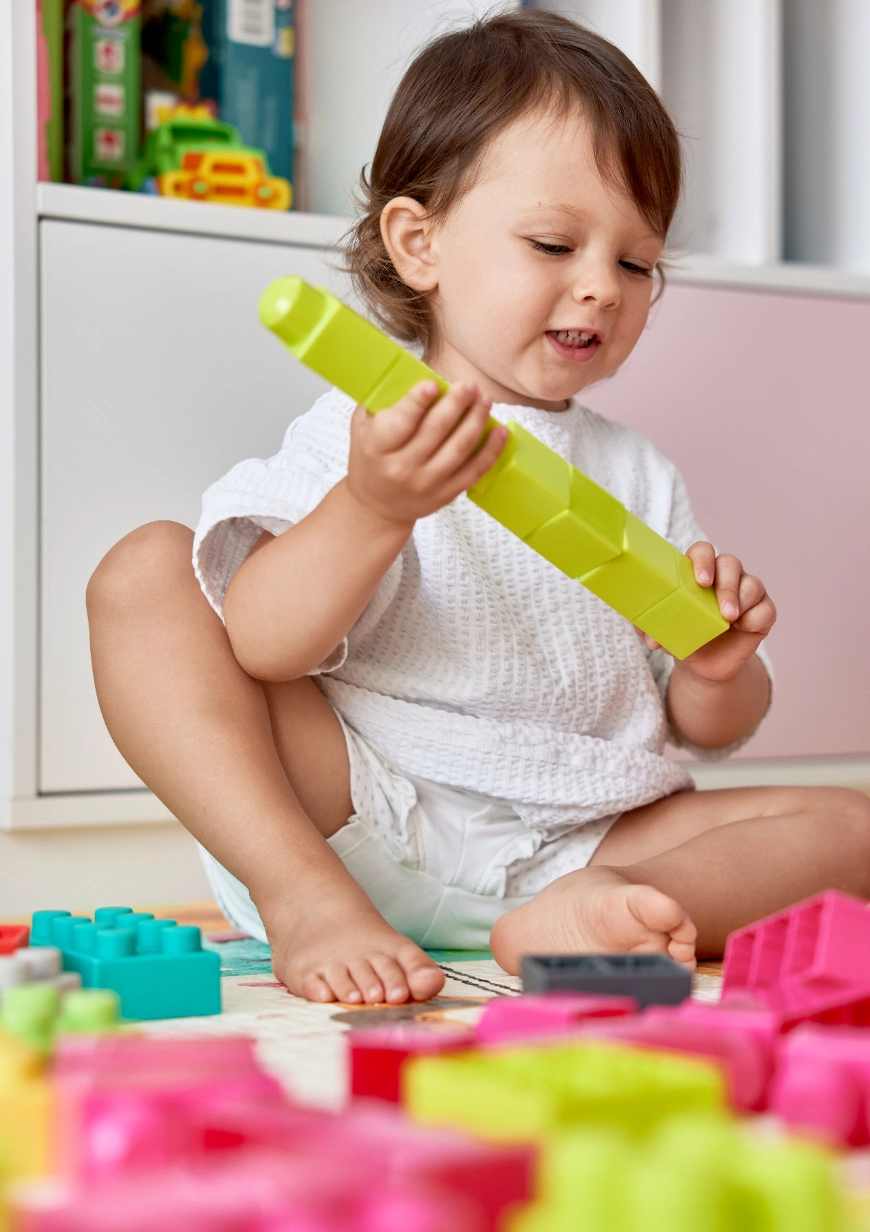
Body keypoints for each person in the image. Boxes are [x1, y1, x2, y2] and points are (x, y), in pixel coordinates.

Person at [87, 11, 870, 1007]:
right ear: (419, 243)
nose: (602, 288)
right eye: (553, 243)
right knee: (145, 572)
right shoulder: (359, 429)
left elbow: (706, 728)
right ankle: (301, 896)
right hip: (362, 809)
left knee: (851, 827)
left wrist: (717, 667)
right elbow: (264, 643)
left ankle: (606, 907)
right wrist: (372, 507)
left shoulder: (638, 472)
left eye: (637, 263)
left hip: (583, 835)